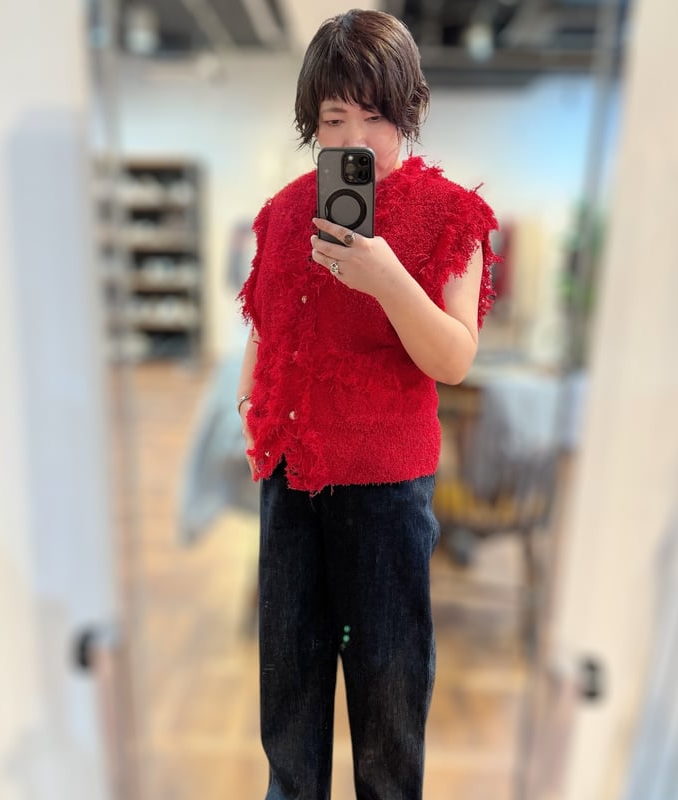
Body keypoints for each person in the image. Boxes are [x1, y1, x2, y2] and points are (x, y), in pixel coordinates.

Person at [236, 9, 499, 799]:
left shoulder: (451, 215)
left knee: (387, 705)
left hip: (384, 494)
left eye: (374, 116)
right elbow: (265, 325)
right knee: (288, 703)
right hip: (289, 483)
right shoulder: (284, 213)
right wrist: (250, 405)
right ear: (311, 123)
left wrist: (388, 280)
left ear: (407, 111)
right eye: (333, 119)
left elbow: (453, 358)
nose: (354, 137)